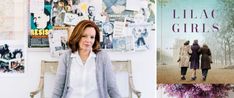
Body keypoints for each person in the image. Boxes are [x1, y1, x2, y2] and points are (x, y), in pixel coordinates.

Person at [52, 20, 121, 98]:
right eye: (84, 36)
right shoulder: (66, 57)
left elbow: (112, 87)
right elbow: (58, 88)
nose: (88, 40)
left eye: (92, 37)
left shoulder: (103, 57)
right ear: (77, 36)